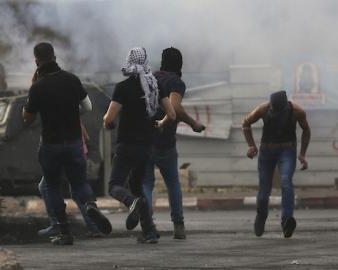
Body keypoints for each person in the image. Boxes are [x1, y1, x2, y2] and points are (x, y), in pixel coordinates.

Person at [23, 42, 112, 245]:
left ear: (37, 61)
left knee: (52, 186)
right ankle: (90, 205)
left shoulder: (38, 87)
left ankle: (64, 232)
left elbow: (27, 118)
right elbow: (87, 107)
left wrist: (33, 92)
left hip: (51, 145)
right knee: (80, 183)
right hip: (73, 142)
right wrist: (71, 113)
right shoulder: (72, 79)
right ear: (55, 57)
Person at [104, 47, 176, 244]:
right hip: (146, 147)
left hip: (126, 145)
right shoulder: (154, 86)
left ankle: (131, 202)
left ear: (128, 61)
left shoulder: (123, 87)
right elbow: (172, 114)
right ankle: (150, 233)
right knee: (136, 186)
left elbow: (109, 117)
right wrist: (159, 124)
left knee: (114, 186)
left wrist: (107, 122)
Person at [142, 47, 205, 240]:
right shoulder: (176, 82)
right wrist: (194, 123)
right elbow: (175, 107)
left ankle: (147, 227)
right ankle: (178, 226)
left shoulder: (149, 78)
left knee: (146, 183)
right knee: (172, 183)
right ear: (180, 64)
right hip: (165, 141)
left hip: (145, 138)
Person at [242, 90, 310, 238]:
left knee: (286, 182)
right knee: (264, 190)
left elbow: (306, 130)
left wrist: (302, 154)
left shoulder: (297, 111)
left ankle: (286, 221)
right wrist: (251, 146)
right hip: (267, 152)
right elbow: (246, 123)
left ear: (287, 105)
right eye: (274, 110)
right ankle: (261, 217)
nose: (277, 113)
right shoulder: (263, 109)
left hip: (287, 151)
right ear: (271, 105)